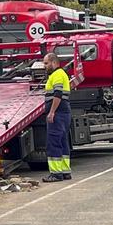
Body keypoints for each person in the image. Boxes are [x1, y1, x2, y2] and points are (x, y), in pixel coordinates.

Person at [42, 52, 73, 182]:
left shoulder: (57, 75)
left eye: (46, 63)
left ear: (54, 62)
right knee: (62, 141)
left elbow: (58, 94)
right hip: (64, 111)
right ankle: (65, 171)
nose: (44, 66)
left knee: (53, 141)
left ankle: (55, 173)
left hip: (58, 112)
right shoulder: (59, 74)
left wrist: (52, 112)